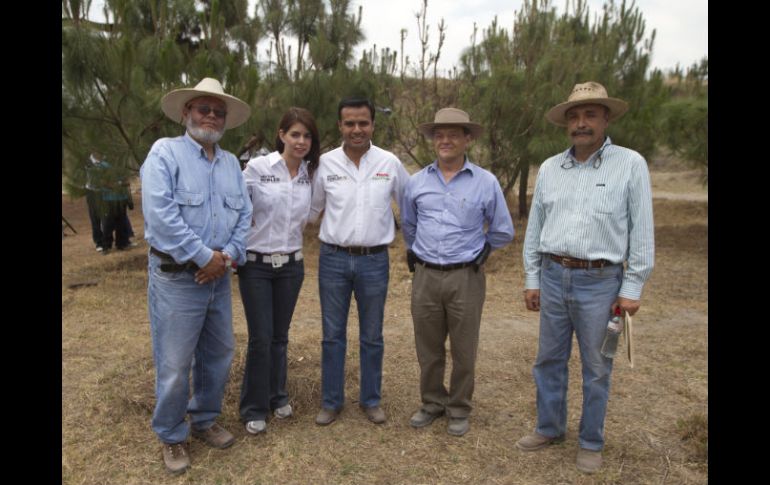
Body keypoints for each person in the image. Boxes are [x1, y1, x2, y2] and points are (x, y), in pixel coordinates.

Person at [517, 81, 655, 473]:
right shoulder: (550, 168)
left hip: (602, 283)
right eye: (574, 116)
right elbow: (536, 228)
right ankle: (549, 427)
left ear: (606, 118)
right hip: (554, 275)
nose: (581, 123)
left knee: (598, 367)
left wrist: (632, 287)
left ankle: (591, 440)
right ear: (566, 123)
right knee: (548, 359)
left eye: (590, 114)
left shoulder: (630, 164)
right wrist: (532, 278)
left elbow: (642, 232)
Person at [140, 77, 252, 475]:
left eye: (218, 112)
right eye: (203, 108)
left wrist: (227, 257)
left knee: (218, 354)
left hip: (218, 278)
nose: (211, 116)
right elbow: (160, 217)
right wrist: (205, 257)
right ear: (186, 113)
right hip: (177, 279)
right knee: (174, 362)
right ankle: (171, 434)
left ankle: (204, 419)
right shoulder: (164, 154)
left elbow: (244, 216)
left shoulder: (230, 164)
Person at [401, 108, 514, 437]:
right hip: (425, 276)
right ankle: (432, 403)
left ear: (468, 139)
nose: (445, 140)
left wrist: (480, 251)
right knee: (428, 347)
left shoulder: (485, 182)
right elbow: (409, 225)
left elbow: (502, 230)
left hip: (466, 277)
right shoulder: (417, 182)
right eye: (439, 134)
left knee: (464, 349)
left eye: (453, 134)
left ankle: (459, 407)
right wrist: (421, 251)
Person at [309, 97, 410, 426]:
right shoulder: (325, 164)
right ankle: (331, 401)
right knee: (332, 335)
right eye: (349, 123)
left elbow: (409, 208)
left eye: (363, 123)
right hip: (333, 260)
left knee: (372, 335)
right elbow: (312, 210)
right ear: (339, 126)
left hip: (374, 262)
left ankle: (371, 400)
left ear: (372, 125)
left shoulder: (390, 163)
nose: (356, 129)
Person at [238, 107, 320, 435]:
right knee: (260, 338)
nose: (301, 141)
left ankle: (277, 395)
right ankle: (253, 407)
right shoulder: (258, 168)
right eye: (295, 134)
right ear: (281, 134)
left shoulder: (310, 175)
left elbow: (312, 215)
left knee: (279, 337)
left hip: (291, 266)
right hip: (255, 265)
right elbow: (238, 207)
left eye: (307, 135)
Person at [84, 152, 106, 251]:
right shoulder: (87, 162)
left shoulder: (105, 159)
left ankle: (108, 240)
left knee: (106, 217)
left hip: (104, 191)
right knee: (95, 218)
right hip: (92, 192)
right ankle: (99, 242)